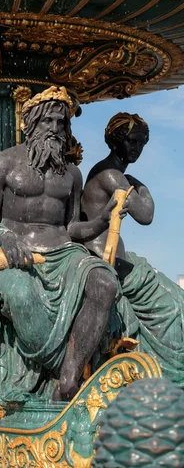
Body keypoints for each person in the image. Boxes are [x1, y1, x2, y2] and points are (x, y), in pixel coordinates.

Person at [0, 86, 123, 402]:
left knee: (104, 284)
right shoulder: (1, 164)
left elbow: (72, 227)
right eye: (47, 122)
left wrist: (102, 219)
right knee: (17, 292)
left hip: (65, 253)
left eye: (61, 123)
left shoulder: (72, 174)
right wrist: (5, 237)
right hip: (19, 255)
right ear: (29, 123)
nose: (54, 129)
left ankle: (68, 379)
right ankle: (51, 363)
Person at [82, 112, 184, 387]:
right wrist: (141, 185)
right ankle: (167, 378)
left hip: (116, 259)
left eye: (142, 143)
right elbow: (145, 214)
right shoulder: (112, 175)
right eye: (132, 141)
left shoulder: (110, 172)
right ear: (116, 141)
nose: (137, 148)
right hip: (106, 260)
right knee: (173, 308)